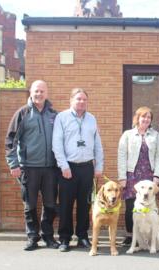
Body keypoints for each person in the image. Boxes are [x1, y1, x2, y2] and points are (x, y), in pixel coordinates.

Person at [5, 80, 59, 251]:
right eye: (36, 91)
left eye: (42, 91)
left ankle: (48, 236)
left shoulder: (53, 114)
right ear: (31, 92)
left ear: (47, 93)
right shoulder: (22, 113)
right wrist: (14, 164)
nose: (39, 94)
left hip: (51, 168)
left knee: (50, 204)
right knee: (30, 205)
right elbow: (10, 141)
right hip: (28, 167)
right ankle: (32, 237)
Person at [52, 88, 104, 252]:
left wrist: (99, 166)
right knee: (66, 205)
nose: (81, 102)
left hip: (87, 168)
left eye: (84, 100)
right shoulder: (62, 117)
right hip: (68, 168)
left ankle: (82, 236)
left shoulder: (92, 119)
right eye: (78, 99)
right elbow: (57, 144)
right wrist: (64, 166)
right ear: (71, 100)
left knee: (85, 204)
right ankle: (65, 239)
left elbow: (97, 144)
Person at [117, 106, 159, 247]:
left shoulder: (155, 135)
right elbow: (121, 155)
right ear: (137, 118)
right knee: (132, 206)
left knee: (150, 206)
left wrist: (157, 176)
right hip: (132, 175)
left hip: (149, 175)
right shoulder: (127, 135)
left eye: (149, 117)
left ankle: (149, 236)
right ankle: (131, 235)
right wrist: (122, 177)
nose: (146, 119)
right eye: (143, 116)